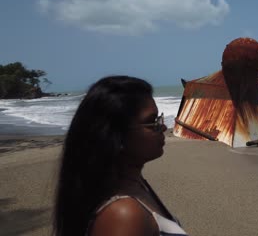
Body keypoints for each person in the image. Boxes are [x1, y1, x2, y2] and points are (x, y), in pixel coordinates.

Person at [53, 76, 188, 236]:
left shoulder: (137, 184)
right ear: (117, 135)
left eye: (159, 119)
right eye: (152, 122)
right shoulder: (124, 215)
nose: (164, 127)